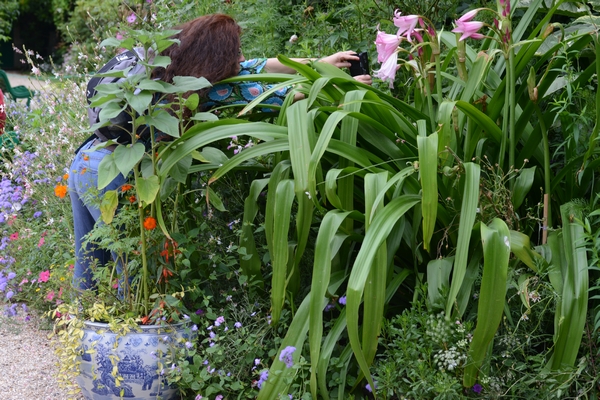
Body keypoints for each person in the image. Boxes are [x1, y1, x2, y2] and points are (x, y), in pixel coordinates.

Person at [68, 13, 372, 291]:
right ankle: (129, 346)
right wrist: (339, 86)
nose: (240, 57)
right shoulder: (208, 89)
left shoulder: (170, 63)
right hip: (115, 176)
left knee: (89, 268)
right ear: (215, 58)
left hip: (87, 161)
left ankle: (83, 337)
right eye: (234, 52)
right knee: (133, 275)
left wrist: (321, 61)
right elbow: (276, 96)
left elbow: (260, 65)